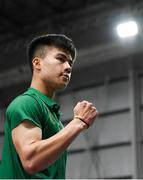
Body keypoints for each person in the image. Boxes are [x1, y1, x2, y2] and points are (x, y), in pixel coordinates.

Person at [0, 34, 98, 179]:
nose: (68, 67)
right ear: (37, 63)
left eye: (70, 63)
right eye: (61, 59)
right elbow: (31, 160)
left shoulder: (52, 115)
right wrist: (78, 122)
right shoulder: (26, 103)